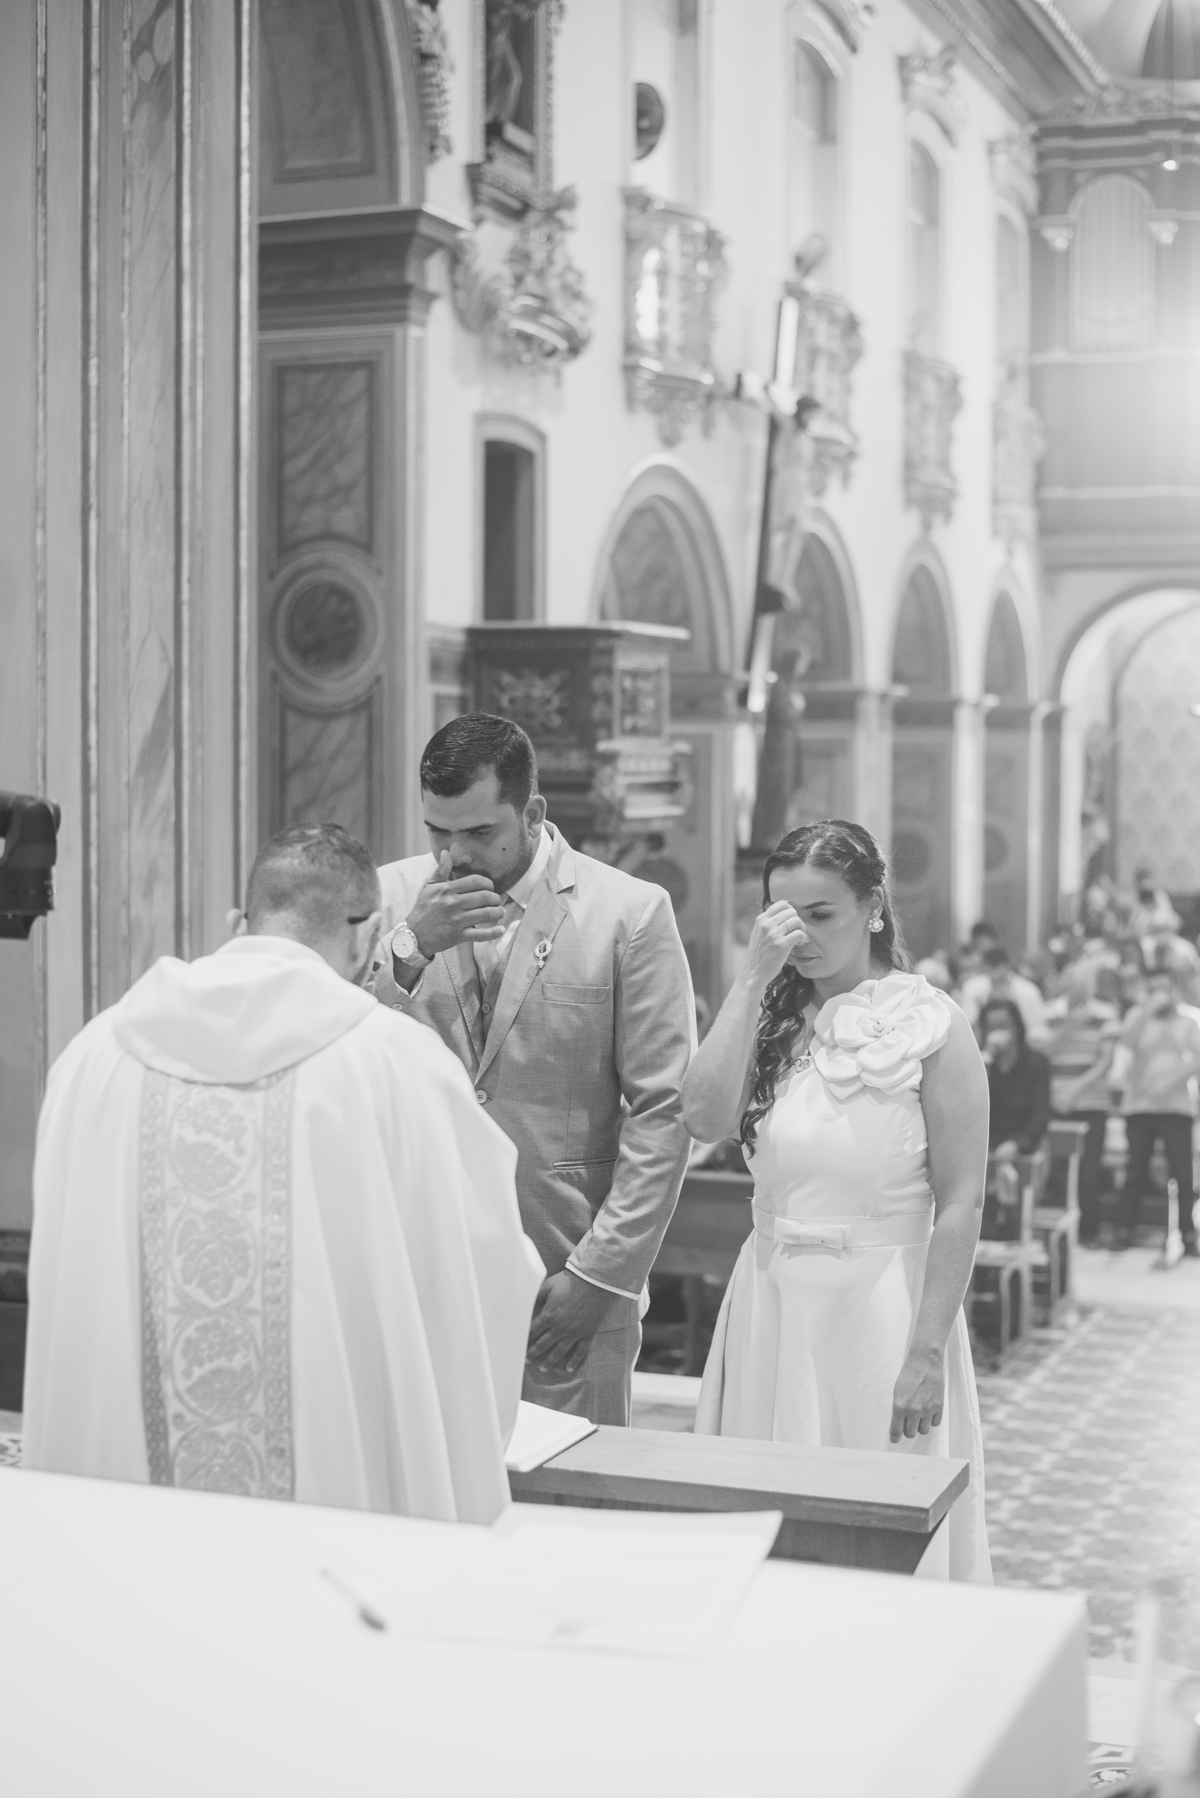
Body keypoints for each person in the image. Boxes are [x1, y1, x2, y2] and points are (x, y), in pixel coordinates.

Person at [22, 824, 544, 1523]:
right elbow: (485, 1275)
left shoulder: (94, 1057)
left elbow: (62, 1280)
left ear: (238, 924)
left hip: (120, 1524)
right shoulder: (399, 1069)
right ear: (369, 937)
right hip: (330, 1513)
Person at [682, 819, 991, 1583]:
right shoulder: (770, 1015)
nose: (803, 937)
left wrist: (925, 1353)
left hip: (883, 1310)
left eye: (821, 915)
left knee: (878, 1531)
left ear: (874, 905)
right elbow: (702, 1118)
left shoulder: (935, 1024)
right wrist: (752, 980)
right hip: (772, 1304)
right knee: (767, 1528)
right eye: (784, 919)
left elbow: (962, 1202)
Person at [374, 714, 696, 1427]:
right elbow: (338, 1055)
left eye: (480, 834)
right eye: (438, 833)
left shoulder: (630, 915)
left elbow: (665, 1112)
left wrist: (601, 1275)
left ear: (532, 813)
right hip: (418, 1268)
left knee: (569, 1513)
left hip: (564, 1278)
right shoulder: (391, 903)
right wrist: (409, 954)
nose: (453, 857)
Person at [1109, 968, 1200, 1256]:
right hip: (1140, 1107)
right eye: (1154, 989)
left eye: (1165, 988)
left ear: (1175, 988)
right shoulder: (1137, 1017)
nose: (1161, 994)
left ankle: (1188, 1234)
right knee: (1134, 1171)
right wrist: (1147, 1011)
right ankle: (1124, 1230)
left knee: (1183, 1174)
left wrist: (1170, 1081)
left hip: (1176, 1107)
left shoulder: (1189, 1020)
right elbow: (1126, 1043)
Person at [1045, 969, 1121, 1245]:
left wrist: (1074, 1090)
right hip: (1056, 1101)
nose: (1082, 987)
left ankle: (1088, 1229)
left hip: (1091, 1101)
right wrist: (1070, 1027)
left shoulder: (1106, 1014)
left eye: (1086, 982)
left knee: (1089, 1171)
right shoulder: (1050, 1012)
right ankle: (1058, 1233)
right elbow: (1044, 1051)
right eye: (1075, 982)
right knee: (1056, 1168)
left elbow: (1105, 1062)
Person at [980, 998, 1052, 1162]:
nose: (997, 1033)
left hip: (1025, 1148)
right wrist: (986, 1061)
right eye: (991, 1028)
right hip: (986, 1148)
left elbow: (1041, 1113)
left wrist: (1017, 1144)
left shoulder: (1036, 1062)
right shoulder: (980, 1063)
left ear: (1016, 1027)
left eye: (1003, 1026)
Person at [960, 944, 1048, 1045]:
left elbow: (1036, 1028)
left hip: (1021, 1047)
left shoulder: (1028, 991)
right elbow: (967, 1026)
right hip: (982, 1046)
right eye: (992, 966)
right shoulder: (972, 988)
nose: (996, 973)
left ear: (1008, 965)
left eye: (998, 966)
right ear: (984, 966)